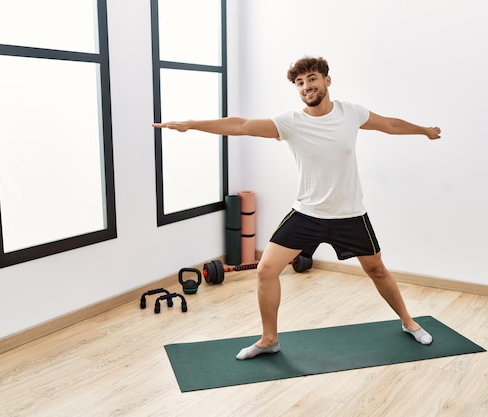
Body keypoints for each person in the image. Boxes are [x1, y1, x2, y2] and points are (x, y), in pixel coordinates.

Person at [153, 56, 441, 360]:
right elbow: (241, 125)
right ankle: (269, 339)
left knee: (376, 270)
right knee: (265, 271)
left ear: (327, 81)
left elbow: (391, 125)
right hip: (307, 214)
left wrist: (424, 130)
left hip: (350, 214)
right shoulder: (291, 122)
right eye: (300, 83)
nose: (306, 86)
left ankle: (409, 323)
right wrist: (193, 125)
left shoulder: (350, 113)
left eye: (312, 79)